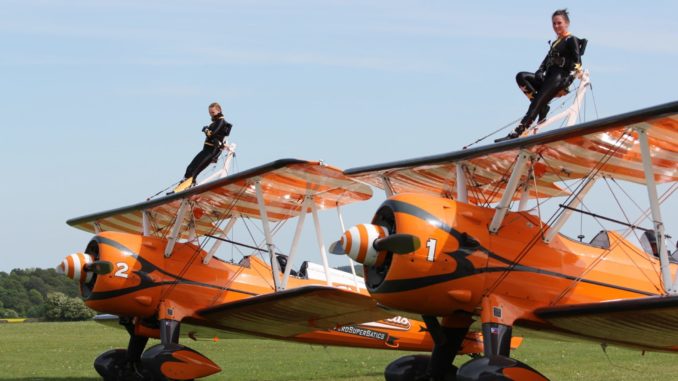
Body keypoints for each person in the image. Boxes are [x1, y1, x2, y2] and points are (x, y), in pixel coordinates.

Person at [499, 9, 583, 141]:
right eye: (554, 23)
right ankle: (543, 107)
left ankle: (519, 131)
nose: (556, 26)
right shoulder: (556, 42)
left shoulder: (571, 40)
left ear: (567, 23)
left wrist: (569, 79)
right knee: (521, 77)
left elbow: (578, 63)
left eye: (559, 23)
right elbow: (547, 60)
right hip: (548, 77)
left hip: (559, 78)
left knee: (536, 103)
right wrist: (539, 70)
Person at [174, 102, 232, 193]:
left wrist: (205, 129)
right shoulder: (216, 122)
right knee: (192, 168)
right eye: (210, 113)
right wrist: (207, 130)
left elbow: (212, 134)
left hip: (211, 151)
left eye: (213, 112)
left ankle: (187, 185)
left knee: (192, 168)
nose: (211, 114)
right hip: (207, 149)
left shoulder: (221, 121)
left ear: (219, 111)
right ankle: (189, 185)